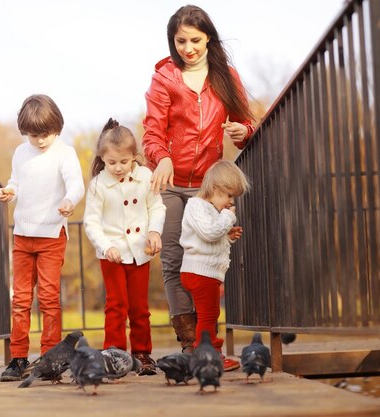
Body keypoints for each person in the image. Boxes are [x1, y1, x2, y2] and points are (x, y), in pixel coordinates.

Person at [142, 5, 255, 366]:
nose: (187, 48)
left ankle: (208, 339)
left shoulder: (225, 76)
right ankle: (192, 344)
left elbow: (245, 124)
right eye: (180, 41)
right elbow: (152, 132)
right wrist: (161, 156)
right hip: (172, 185)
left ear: (208, 37)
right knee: (174, 260)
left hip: (209, 188)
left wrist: (245, 131)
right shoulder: (165, 79)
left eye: (194, 40)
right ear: (172, 41)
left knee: (207, 263)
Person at [0, 94, 85, 381]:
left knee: (48, 298)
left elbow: (76, 185)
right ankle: (18, 358)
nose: (41, 141)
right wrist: (9, 192)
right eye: (34, 136)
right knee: (20, 300)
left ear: (57, 126)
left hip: (51, 235)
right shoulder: (21, 153)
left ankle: (51, 357)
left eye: (46, 134)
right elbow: (16, 183)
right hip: (23, 235)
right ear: (25, 132)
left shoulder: (64, 153)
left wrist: (69, 202)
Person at [83, 118, 166, 375]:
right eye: (111, 163)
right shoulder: (98, 184)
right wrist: (106, 246)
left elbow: (156, 206)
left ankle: (142, 352)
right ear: (102, 158)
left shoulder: (145, 176)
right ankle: (114, 352)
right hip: (112, 255)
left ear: (134, 157)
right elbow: (91, 221)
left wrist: (154, 231)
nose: (118, 168)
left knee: (140, 306)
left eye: (124, 161)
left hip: (140, 252)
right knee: (116, 304)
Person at [180, 160, 249, 369]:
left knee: (210, 315)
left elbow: (210, 237)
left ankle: (210, 353)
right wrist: (228, 217)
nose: (229, 202)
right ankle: (207, 356)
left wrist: (227, 236)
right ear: (217, 188)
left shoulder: (208, 209)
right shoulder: (196, 206)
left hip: (205, 273)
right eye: (229, 195)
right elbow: (209, 233)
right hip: (200, 272)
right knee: (208, 317)